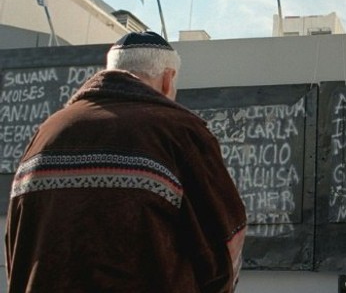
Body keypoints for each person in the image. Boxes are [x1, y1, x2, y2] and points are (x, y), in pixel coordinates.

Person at [5, 31, 247, 292]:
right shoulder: (180, 132)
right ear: (168, 79)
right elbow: (225, 239)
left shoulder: (47, 132)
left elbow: (16, 241)